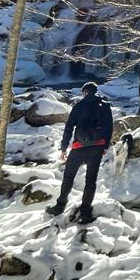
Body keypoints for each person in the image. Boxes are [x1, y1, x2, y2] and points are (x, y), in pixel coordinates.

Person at [46, 82, 113, 223]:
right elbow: (109, 127)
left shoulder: (78, 106)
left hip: (78, 147)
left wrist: (64, 148)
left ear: (84, 92)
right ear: (95, 91)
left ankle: (59, 206)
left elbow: (69, 128)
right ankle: (85, 212)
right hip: (97, 147)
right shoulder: (105, 106)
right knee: (91, 180)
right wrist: (105, 144)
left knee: (68, 177)